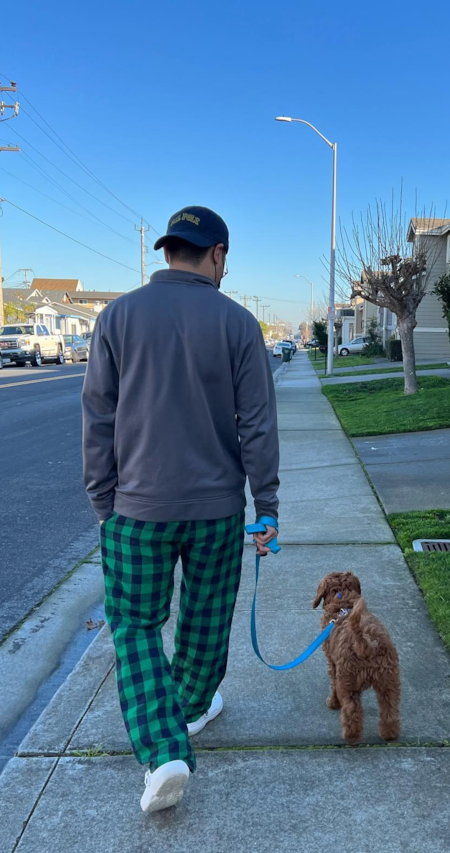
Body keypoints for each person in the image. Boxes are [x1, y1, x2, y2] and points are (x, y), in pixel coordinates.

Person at [82, 206, 279, 813]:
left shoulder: (116, 317)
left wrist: (101, 498)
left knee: (136, 626)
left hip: (135, 508)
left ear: (169, 252)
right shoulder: (240, 324)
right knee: (205, 615)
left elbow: (98, 416)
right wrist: (265, 506)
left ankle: (164, 744)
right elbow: (258, 427)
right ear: (218, 254)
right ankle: (190, 708)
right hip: (217, 508)